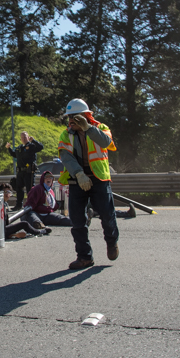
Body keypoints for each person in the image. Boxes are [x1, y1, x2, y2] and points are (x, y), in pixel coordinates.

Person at [58, 98, 120, 270]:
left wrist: (88, 128)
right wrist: (78, 173)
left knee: (107, 215)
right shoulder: (66, 134)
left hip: (98, 177)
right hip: (77, 179)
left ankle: (112, 242)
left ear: (85, 115)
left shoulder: (101, 128)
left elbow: (107, 143)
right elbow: (65, 156)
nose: (71, 120)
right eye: (69, 117)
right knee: (77, 220)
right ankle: (84, 257)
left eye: (74, 116)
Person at [5, 131, 44, 209]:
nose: (23, 139)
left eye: (25, 137)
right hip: (20, 172)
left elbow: (41, 147)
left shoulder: (32, 146)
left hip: (29, 172)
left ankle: (31, 204)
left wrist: (33, 140)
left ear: (28, 137)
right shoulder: (19, 148)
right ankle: (19, 205)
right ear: (20, 139)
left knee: (30, 189)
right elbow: (14, 154)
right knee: (19, 189)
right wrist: (9, 148)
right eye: (22, 137)